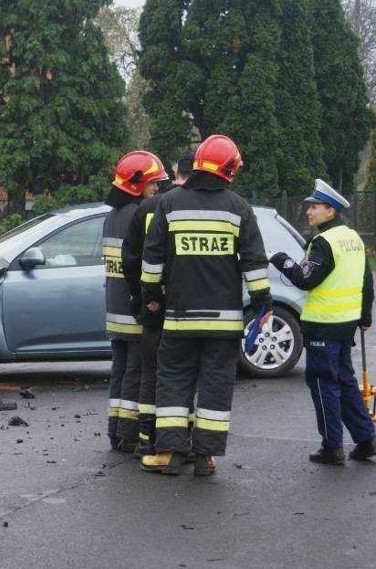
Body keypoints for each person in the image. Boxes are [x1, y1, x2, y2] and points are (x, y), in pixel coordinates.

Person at [139, 135, 272, 476]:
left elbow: (151, 258)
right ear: (229, 170)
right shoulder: (239, 208)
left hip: (179, 318)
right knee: (215, 385)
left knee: (173, 380)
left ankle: (169, 453)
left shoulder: (168, 204)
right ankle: (205, 457)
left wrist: (151, 296)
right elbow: (254, 262)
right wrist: (262, 303)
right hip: (223, 323)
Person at [269, 179, 376, 465]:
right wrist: (365, 316)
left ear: (330, 210)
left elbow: (306, 279)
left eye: (314, 207)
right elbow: (366, 280)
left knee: (323, 384)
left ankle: (332, 446)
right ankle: (366, 439)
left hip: (323, 326)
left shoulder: (324, 242)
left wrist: (280, 259)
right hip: (345, 324)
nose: (309, 212)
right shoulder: (352, 237)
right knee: (345, 381)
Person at [122, 149, 194, 457]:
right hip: (185, 308)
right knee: (184, 376)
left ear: (176, 173)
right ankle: (183, 441)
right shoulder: (204, 209)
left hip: (155, 308)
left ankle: (146, 439)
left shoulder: (150, 207)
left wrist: (143, 298)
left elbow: (131, 259)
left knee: (151, 374)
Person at [103, 151, 168, 453]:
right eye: (153, 184)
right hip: (134, 309)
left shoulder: (112, 217)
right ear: (136, 184)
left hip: (114, 310)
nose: (155, 190)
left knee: (119, 371)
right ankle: (129, 432)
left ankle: (115, 430)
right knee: (136, 373)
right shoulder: (138, 216)